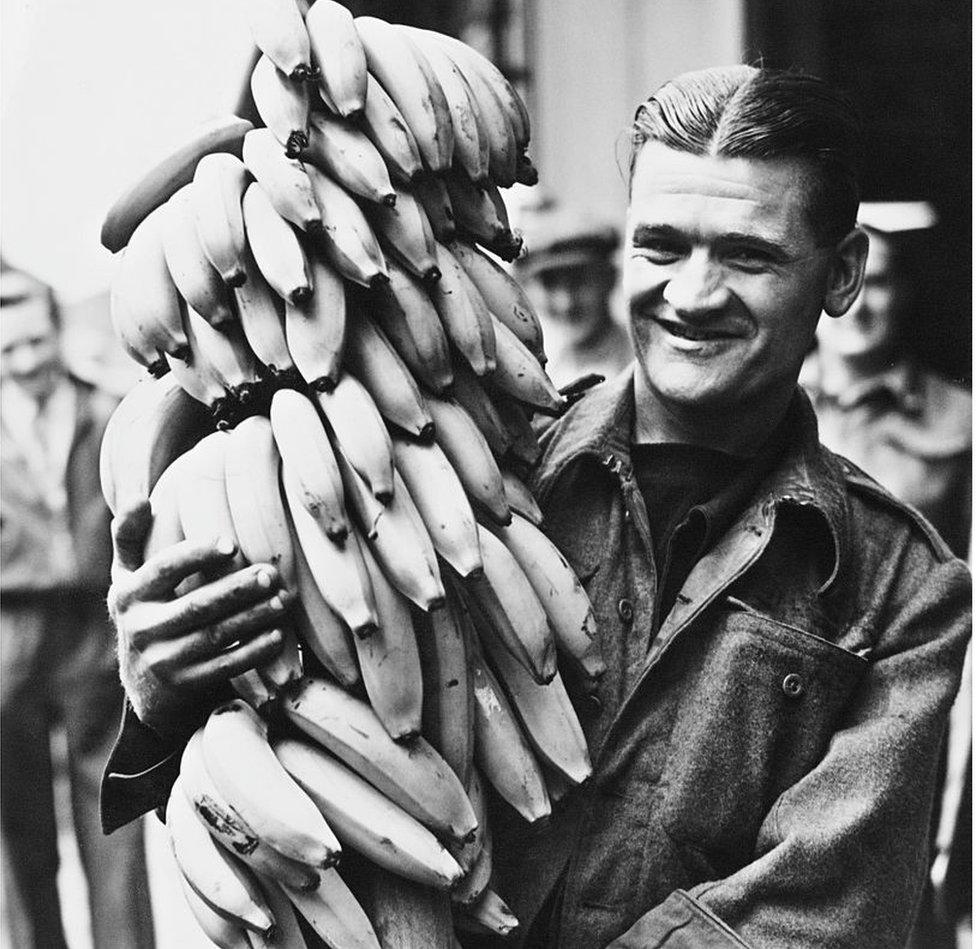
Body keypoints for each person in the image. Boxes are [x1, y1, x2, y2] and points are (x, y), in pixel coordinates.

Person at [100, 65, 971, 949]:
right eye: (661, 246)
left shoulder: (899, 588)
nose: (694, 295)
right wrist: (164, 695)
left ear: (843, 273)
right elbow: (299, 758)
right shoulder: (464, 472)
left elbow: (815, 917)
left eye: (749, 255)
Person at [800, 203, 972, 949]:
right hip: (789, 690)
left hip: (909, 700)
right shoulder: (770, 407)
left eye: (888, 282)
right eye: (854, 281)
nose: (868, 301)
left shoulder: (961, 422)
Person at [0, 263, 156, 949]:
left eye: (37, 341)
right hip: (11, 633)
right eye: (9, 349)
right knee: (23, 827)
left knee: (112, 817)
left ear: (59, 334)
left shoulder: (108, 409)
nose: (28, 360)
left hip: (98, 628)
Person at [800, 202, 971, 558]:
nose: (855, 305)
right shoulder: (763, 399)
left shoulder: (963, 419)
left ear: (905, 291)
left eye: (876, 282)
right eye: (840, 279)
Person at [513, 200, 633, 389]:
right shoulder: (535, 372)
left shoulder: (640, 366)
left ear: (609, 278)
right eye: (549, 284)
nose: (566, 303)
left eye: (579, 280)